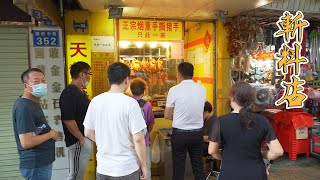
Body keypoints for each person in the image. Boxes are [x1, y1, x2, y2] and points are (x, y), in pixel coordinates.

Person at [83, 62, 147, 180]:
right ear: (127, 80)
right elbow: (138, 139)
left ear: (108, 80)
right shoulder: (130, 103)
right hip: (127, 167)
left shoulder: (95, 101)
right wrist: (144, 165)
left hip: (104, 168)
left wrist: (104, 141)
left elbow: (87, 132)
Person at [208, 82, 284, 180]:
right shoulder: (262, 120)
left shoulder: (221, 121)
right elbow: (277, 151)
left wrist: (222, 156)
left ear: (232, 99)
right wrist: (263, 154)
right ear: (252, 100)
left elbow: (211, 150)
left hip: (230, 173)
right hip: (256, 174)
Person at [12, 68, 58, 180]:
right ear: (26, 86)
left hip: (40, 162)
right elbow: (26, 142)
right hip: (36, 164)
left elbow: (34, 131)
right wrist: (50, 134)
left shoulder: (32, 103)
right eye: (36, 82)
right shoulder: (24, 107)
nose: (41, 84)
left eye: (43, 81)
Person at [164, 62, 206, 180]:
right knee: (198, 167)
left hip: (180, 135)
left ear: (179, 75)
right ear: (192, 74)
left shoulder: (174, 90)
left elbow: (167, 115)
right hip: (197, 134)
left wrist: (179, 117)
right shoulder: (202, 89)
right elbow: (200, 110)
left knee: (178, 169)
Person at [59, 61, 93, 180]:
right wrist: (81, 138)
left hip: (83, 139)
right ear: (82, 74)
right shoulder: (70, 93)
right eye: (89, 74)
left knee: (78, 174)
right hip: (77, 141)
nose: (89, 77)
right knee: (75, 175)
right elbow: (68, 120)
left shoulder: (79, 92)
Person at [130, 78, 155, 180]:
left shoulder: (128, 103)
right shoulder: (147, 105)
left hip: (130, 141)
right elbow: (150, 123)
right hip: (144, 142)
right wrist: (146, 134)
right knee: (145, 166)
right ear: (144, 91)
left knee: (133, 168)